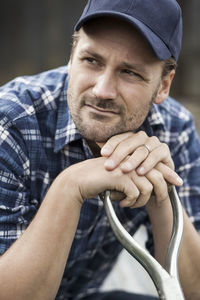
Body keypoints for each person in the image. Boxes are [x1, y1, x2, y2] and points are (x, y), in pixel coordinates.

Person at [0, 0, 200, 299]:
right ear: (71, 57)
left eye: (130, 72)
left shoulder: (173, 129)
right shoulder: (12, 122)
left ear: (163, 85)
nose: (102, 90)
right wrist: (70, 187)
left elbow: (191, 291)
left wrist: (161, 191)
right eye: (91, 60)